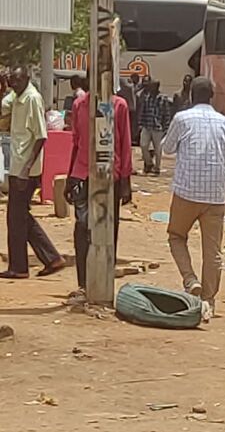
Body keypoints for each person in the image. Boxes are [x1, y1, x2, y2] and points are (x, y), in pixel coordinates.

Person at [163, 77, 225, 323]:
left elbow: (167, 148)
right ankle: (209, 300)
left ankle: (190, 280)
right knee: (213, 251)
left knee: (176, 236)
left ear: (190, 95)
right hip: (215, 197)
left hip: (186, 192)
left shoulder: (182, 119)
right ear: (212, 95)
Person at [64, 75, 133, 303]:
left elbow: (124, 143)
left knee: (107, 231)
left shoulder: (118, 106)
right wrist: (69, 177)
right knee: (82, 229)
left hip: (109, 177)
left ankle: (104, 281)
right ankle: (83, 284)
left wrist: (125, 181)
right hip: (82, 174)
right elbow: (76, 142)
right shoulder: (79, 105)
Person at [0, 67, 65, 279]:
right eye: (11, 81)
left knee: (16, 216)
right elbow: (3, 108)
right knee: (19, 216)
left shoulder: (32, 99)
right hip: (17, 164)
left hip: (27, 168)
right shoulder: (16, 96)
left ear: (26, 79)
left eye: (17, 80)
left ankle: (20, 267)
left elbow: (41, 136)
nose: (14, 84)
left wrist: (27, 169)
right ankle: (51, 258)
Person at [138, 79, 172, 175]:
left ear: (156, 87)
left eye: (152, 86)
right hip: (147, 125)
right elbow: (142, 111)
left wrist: (166, 127)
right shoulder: (147, 98)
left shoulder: (163, 99)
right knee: (143, 145)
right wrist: (140, 123)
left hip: (158, 127)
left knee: (158, 149)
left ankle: (157, 168)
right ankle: (149, 163)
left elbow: (167, 114)